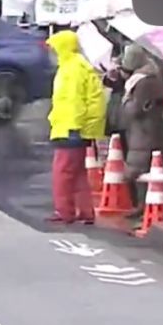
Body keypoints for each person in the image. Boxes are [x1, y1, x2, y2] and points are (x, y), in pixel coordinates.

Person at [46, 31, 107, 225]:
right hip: (79, 128)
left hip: (70, 127)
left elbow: (73, 102)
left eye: (54, 48)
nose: (51, 53)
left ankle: (65, 211)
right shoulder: (79, 66)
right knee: (78, 173)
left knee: (62, 173)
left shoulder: (71, 70)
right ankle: (85, 211)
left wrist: (73, 127)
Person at [113, 44, 163, 216]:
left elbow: (135, 109)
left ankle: (143, 207)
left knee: (137, 171)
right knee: (143, 171)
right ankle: (143, 206)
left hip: (144, 132)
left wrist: (126, 101)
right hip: (144, 131)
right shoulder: (146, 78)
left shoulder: (144, 82)